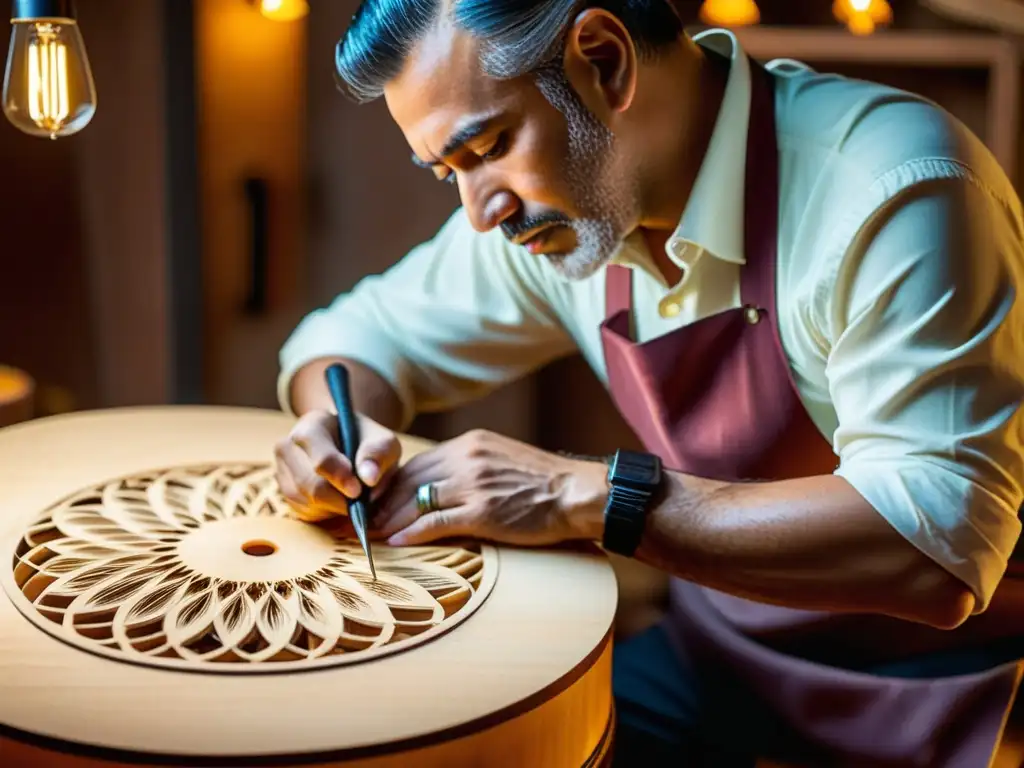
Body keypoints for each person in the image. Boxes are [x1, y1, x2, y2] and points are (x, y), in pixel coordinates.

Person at [274, 1, 1024, 764]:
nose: (479, 211)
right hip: (720, 655)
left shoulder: (894, 184)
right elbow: (354, 340)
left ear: (603, 61)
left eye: (491, 145)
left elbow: (937, 543)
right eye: (450, 172)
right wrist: (338, 426)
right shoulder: (563, 213)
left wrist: (586, 496)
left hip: (941, 691)